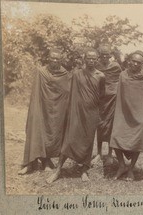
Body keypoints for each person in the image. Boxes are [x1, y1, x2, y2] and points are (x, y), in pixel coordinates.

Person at [46, 49, 105, 183]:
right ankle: (58, 170)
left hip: (91, 114)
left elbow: (102, 97)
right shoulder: (77, 74)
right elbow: (67, 90)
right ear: (85, 59)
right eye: (88, 58)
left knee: (88, 141)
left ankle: (84, 170)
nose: (91, 60)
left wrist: (100, 115)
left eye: (94, 58)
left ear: (97, 59)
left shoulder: (101, 76)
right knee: (69, 139)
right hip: (77, 112)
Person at [18, 48, 72, 175]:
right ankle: (30, 163)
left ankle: (46, 161)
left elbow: (66, 92)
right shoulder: (41, 72)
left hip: (56, 109)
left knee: (52, 133)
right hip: (41, 107)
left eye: (57, 59)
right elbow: (35, 92)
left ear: (60, 60)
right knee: (36, 130)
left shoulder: (64, 74)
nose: (54, 60)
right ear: (48, 58)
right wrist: (35, 109)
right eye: (52, 58)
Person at [110, 50, 143, 181]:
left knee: (140, 133)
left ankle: (131, 169)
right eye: (134, 61)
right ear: (129, 61)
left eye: (139, 63)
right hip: (123, 112)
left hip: (140, 113)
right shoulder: (122, 75)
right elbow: (119, 94)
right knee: (115, 135)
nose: (136, 64)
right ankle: (121, 165)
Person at [92, 44, 122, 166]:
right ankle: (99, 153)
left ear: (110, 56)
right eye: (102, 55)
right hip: (100, 100)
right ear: (99, 56)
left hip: (112, 100)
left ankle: (110, 153)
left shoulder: (115, 66)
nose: (105, 57)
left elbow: (120, 81)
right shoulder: (96, 66)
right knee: (100, 125)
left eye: (107, 55)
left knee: (110, 125)